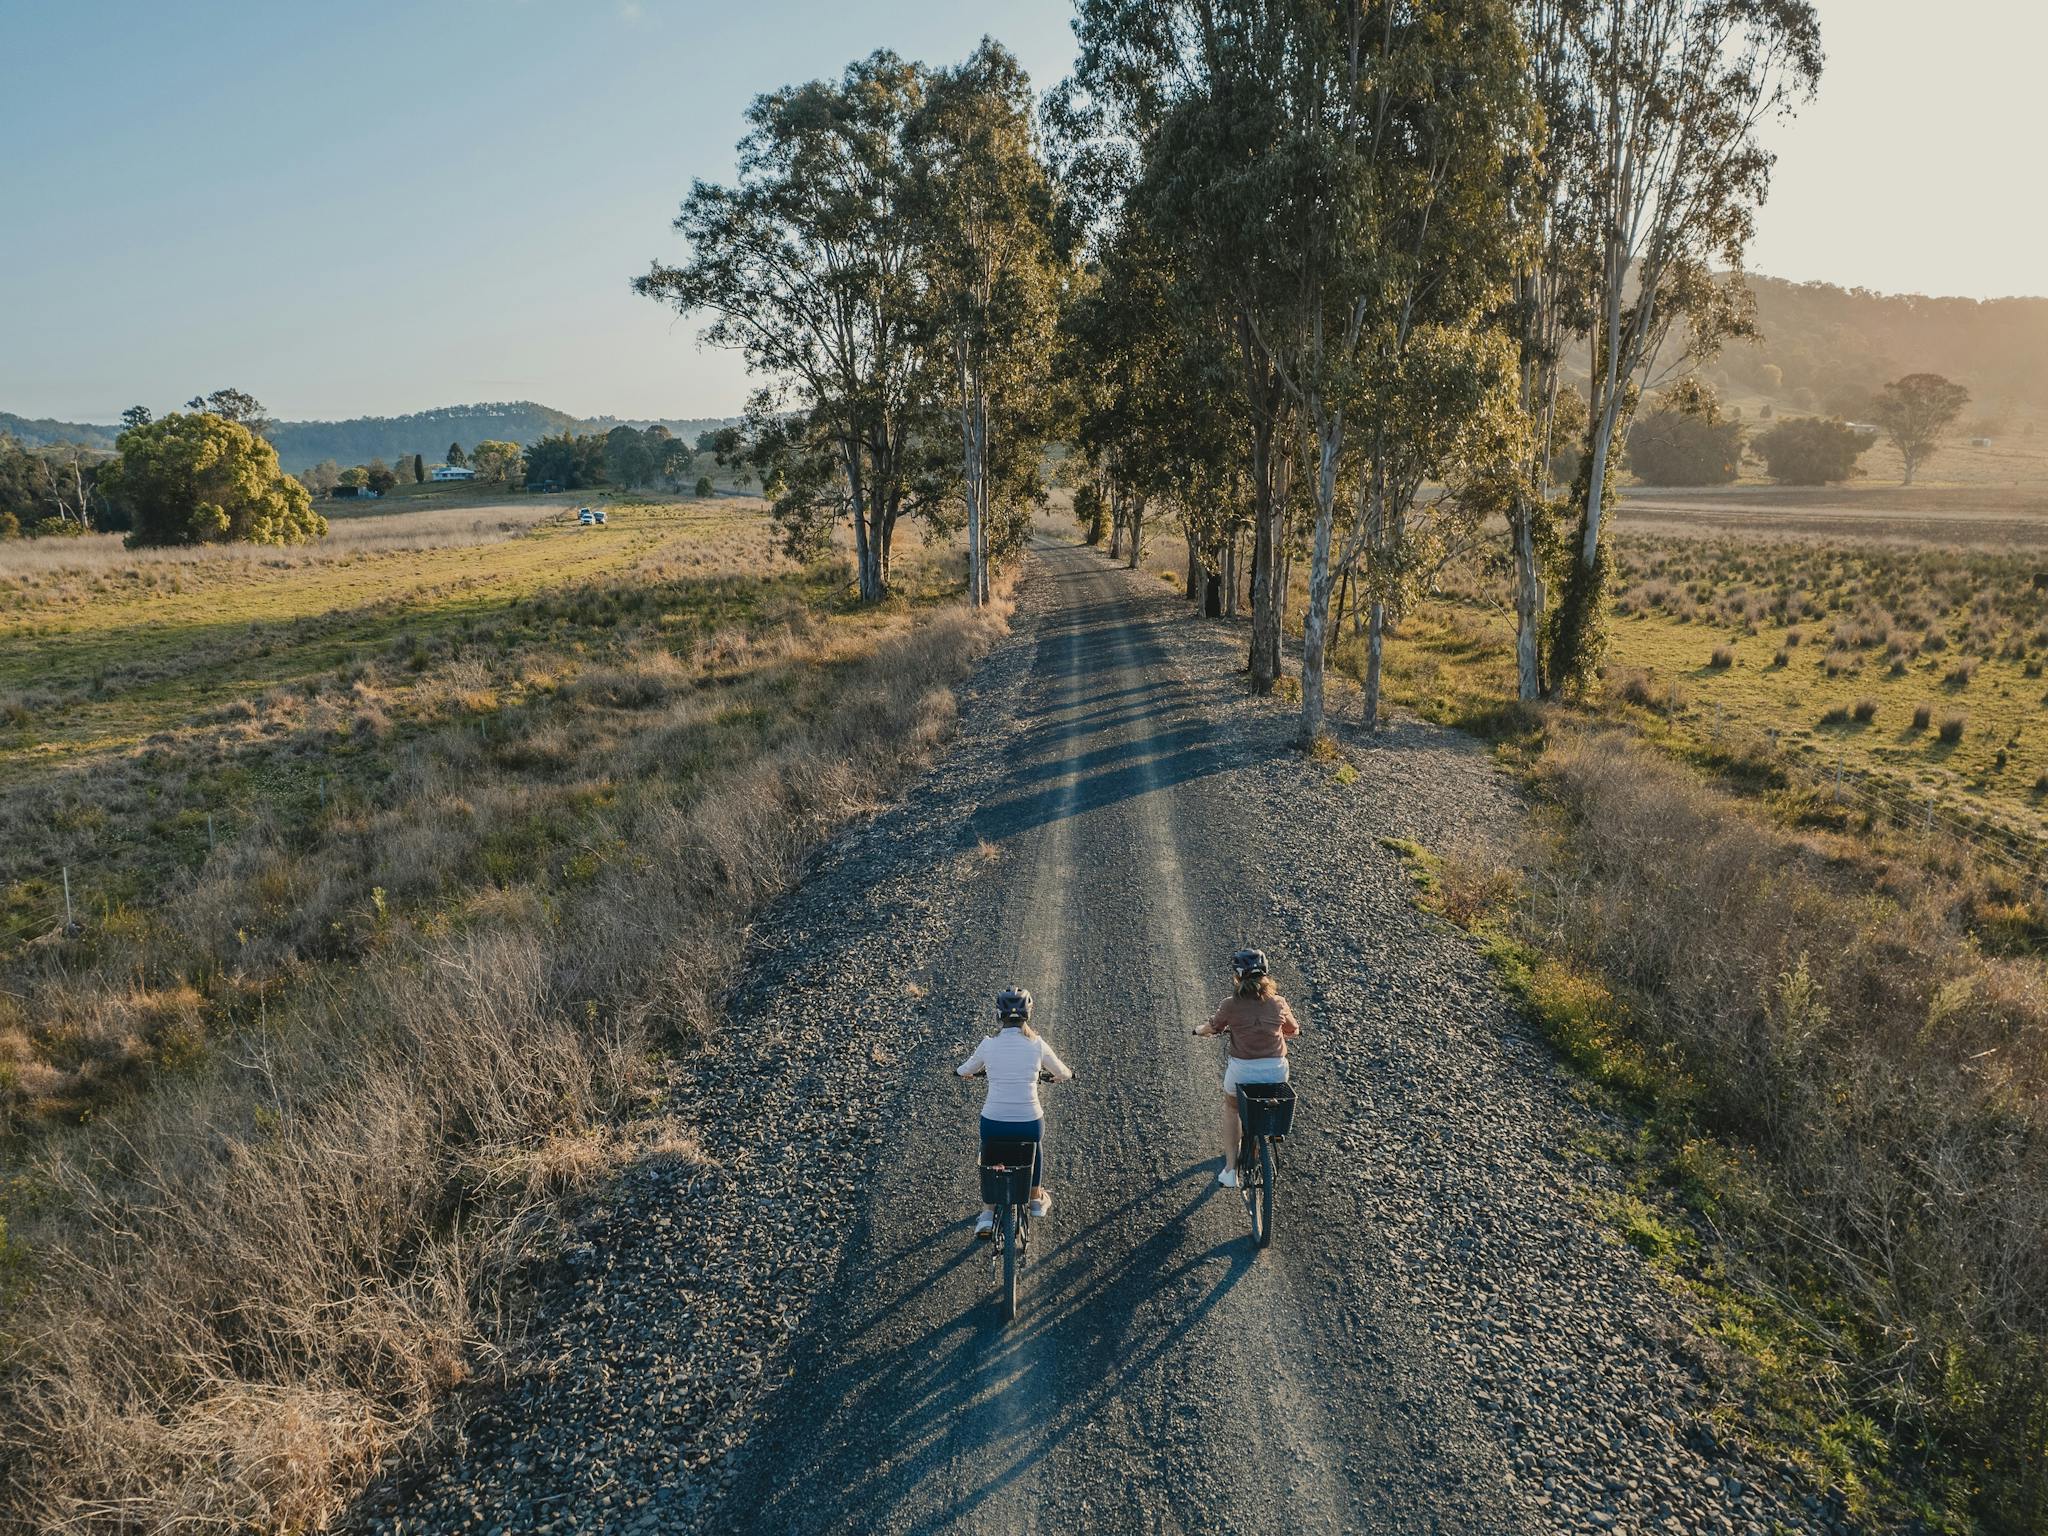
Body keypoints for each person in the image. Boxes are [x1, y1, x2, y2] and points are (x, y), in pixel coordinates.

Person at [957, 987, 1073, 1237]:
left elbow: (964, 1069)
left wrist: (964, 1073)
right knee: (1034, 1144)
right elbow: (1063, 1072)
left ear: (999, 1015)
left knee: (989, 1150)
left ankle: (987, 1215)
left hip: (994, 1122)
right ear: (1028, 1014)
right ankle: (1035, 1198)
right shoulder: (1037, 1045)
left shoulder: (988, 1045)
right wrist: (1058, 1077)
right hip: (1028, 1122)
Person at [1190, 948, 1298, 1187]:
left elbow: (1213, 1027)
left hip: (1242, 1071)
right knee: (1267, 1103)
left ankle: (1230, 1171)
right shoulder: (1279, 1002)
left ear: (1237, 976)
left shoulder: (1230, 1004)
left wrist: (1198, 1031)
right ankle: (1261, 1148)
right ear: (1266, 974)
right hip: (1276, 1071)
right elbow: (1293, 1030)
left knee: (1232, 1108)